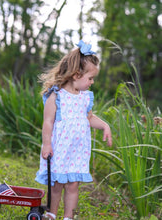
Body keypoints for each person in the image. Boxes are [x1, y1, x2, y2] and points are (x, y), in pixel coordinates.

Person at [35, 40, 112, 220]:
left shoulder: (85, 98)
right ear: (77, 75)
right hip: (59, 149)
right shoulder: (57, 95)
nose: (92, 82)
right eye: (90, 78)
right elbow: (48, 122)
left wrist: (105, 125)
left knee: (72, 186)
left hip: (77, 150)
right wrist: (47, 144)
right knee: (56, 185)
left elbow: (89, 118)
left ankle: (68, 216)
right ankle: (52, 213)